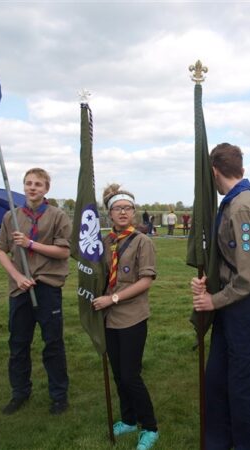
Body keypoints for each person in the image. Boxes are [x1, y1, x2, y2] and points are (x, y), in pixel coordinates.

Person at [191, 143, 250, 449]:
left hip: (245, 308)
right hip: (232, 304)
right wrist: (209, 285)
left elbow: (249, 272)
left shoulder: (243, 206)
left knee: (243, 388)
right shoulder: (235, 201)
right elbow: (231, 260)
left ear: (213, 171)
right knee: (218, 381)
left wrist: (215, 300)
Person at [0, 168, 71, 415]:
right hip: (20, 289)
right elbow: (0, 250)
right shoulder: (12, 217)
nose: (32, 187)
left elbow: (63, 251)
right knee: (18, 344)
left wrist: (30, 244)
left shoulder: (57, 216)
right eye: (28, 183)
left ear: (46, 188)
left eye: (38, 184)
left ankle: (59, 396)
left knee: (53, 343)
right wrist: (17, 277)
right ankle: (20, 393)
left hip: (47, 286)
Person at [92, 184, 159, 450]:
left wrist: (114, 298)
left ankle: (150, 427)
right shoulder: (105, 243)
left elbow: (146, 281)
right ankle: (129, 419)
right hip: (109, 318)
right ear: (109, 214)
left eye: (127, 208)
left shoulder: (143, 241)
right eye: (117, 208)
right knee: (118, 374)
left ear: (134, 212)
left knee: (131, 375)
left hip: (132, 317)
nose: (122, 212)